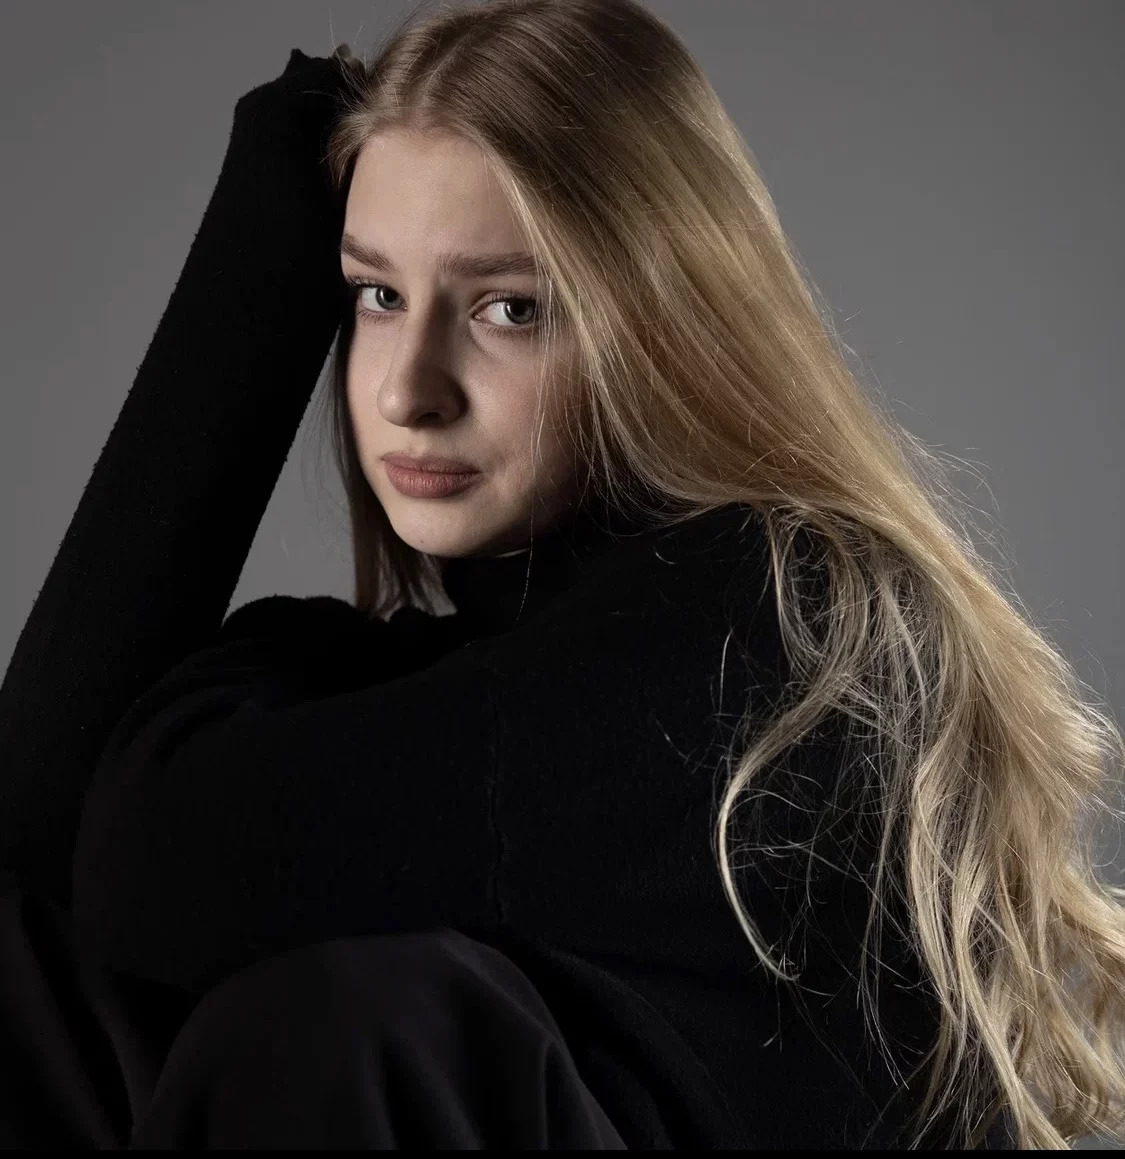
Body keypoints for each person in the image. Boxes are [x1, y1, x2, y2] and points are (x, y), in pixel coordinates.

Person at [1, 0, 1122, 1148]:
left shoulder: (776, 626)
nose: (407, 391)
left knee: (360, 1026)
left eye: (509, 308)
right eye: (378, 295)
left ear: (664, 319)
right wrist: (279, 213)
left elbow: (147, 860)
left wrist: (273, 242)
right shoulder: (514, 654)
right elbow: (41, 834)